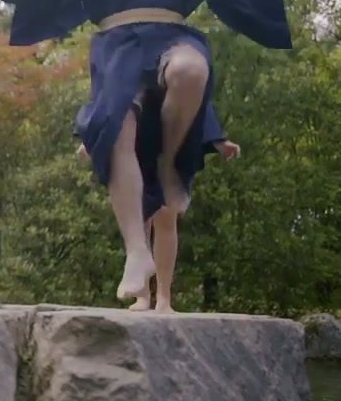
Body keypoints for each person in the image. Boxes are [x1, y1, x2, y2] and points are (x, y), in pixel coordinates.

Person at [0, 0, 327, 305]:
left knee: (191, 70)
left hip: (171, 34)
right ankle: (135, 251)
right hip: (118, 45)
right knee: (116, 125)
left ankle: (168, 164)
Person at [75, 118, 239, 312]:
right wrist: (92, 139)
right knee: (139, 219)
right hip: (137, 145)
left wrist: (218, 139)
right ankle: (142, 294)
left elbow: (198, 104)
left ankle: (164, 297)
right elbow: (111, 105)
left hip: (170, 144)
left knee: (166, 217)